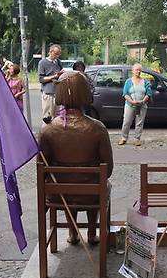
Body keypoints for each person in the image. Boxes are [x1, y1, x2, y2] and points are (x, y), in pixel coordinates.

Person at [39, 71, 113, 245]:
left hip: (59, 195)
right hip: (91, 194)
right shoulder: (98, 128)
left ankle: (73, 232)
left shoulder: (47, 130)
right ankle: (92, 231)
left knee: (65, 184)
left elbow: (42, 168)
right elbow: (107, 169)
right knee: (96, 183)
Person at [119, 63, 152, 146]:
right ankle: (124, 138)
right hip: (130, 105)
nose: (138, 71)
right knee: (126, 122)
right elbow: (125, 94)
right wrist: (131, 101)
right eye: (136, 70)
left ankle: (137, 139)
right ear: (133, 71)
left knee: (139, 123)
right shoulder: (128, 81)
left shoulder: (145, 82)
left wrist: (143, 101)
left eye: (139, 70)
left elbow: (148, 93)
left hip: (142, 105)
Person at [38, 44, 64, 126]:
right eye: (56, 54)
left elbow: (61, 72)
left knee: (57, 116)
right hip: (48, 92)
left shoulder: (58, 62)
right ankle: (45, 134)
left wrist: (61, 75)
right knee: (47, 116)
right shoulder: (43, 63)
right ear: (50, 52)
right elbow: (41, 79)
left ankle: (55, 134)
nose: (57, 56)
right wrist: (53, 77)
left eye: (59, 54)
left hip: (57, 92)